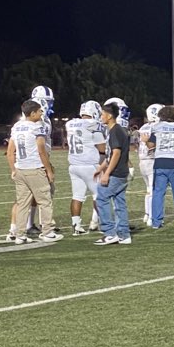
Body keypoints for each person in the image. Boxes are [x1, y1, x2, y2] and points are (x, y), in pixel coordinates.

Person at [6, 99, 62, 244]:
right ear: (32, 113)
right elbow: (42, 151)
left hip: (20, 168)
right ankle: (48, 232)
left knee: (22, 203)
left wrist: (13, 169)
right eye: (39, 111)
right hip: (35, 168)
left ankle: (20, 235)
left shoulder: (17, 126)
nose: (41, 113)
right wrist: (49, 170)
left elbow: (10, 151)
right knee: (45, 201)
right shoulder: (37, 127)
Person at [66, 100, 106, 234]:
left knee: (77, 196)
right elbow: (102, 148)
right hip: (89, 165)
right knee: (98, 195)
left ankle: (76, 226)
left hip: (74, 165)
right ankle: (103, 224)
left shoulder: (70, 123)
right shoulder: (93, 124)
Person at [94, 101, 132, 245]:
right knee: (119, 202)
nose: (101, 117)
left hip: (116, 173)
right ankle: (124, 234)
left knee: (102, 198)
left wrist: (106, 173)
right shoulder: (117, 130)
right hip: (121, 172)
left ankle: (110, 233)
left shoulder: (115, 130)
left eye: (102, 114)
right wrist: (101, 167)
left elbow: (116, 153)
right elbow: (111, 155)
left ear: (109, 116)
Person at [148, 105, 174, 228]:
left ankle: (156, 221)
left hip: (160, 162)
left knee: (158, 193)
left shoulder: (157, 127)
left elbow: (151, 144)